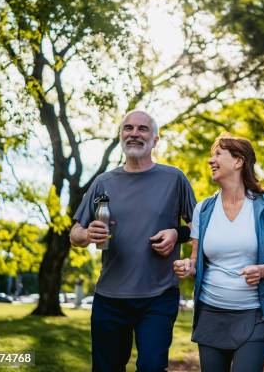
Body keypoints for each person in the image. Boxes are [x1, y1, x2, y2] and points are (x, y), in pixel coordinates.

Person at [70, 110, 196, 372]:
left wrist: (177, 234)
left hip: (159, 295)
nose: (134, 134)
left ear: (155, 139)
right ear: (120, 137)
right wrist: (87, 234)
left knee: (151, 367)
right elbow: (75, 234)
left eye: (142, 129)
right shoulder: (103, 182)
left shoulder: (174, 178)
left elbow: (200, 228)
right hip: (110, 297)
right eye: (128, 128)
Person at [173, 134, 264, 372]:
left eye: (218, 154)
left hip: (255, 315)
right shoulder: (203, 209)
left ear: (238, 161)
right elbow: (196, 261)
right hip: (210, 313)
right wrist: (188, 265)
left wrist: (262, 270)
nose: (210, 160)